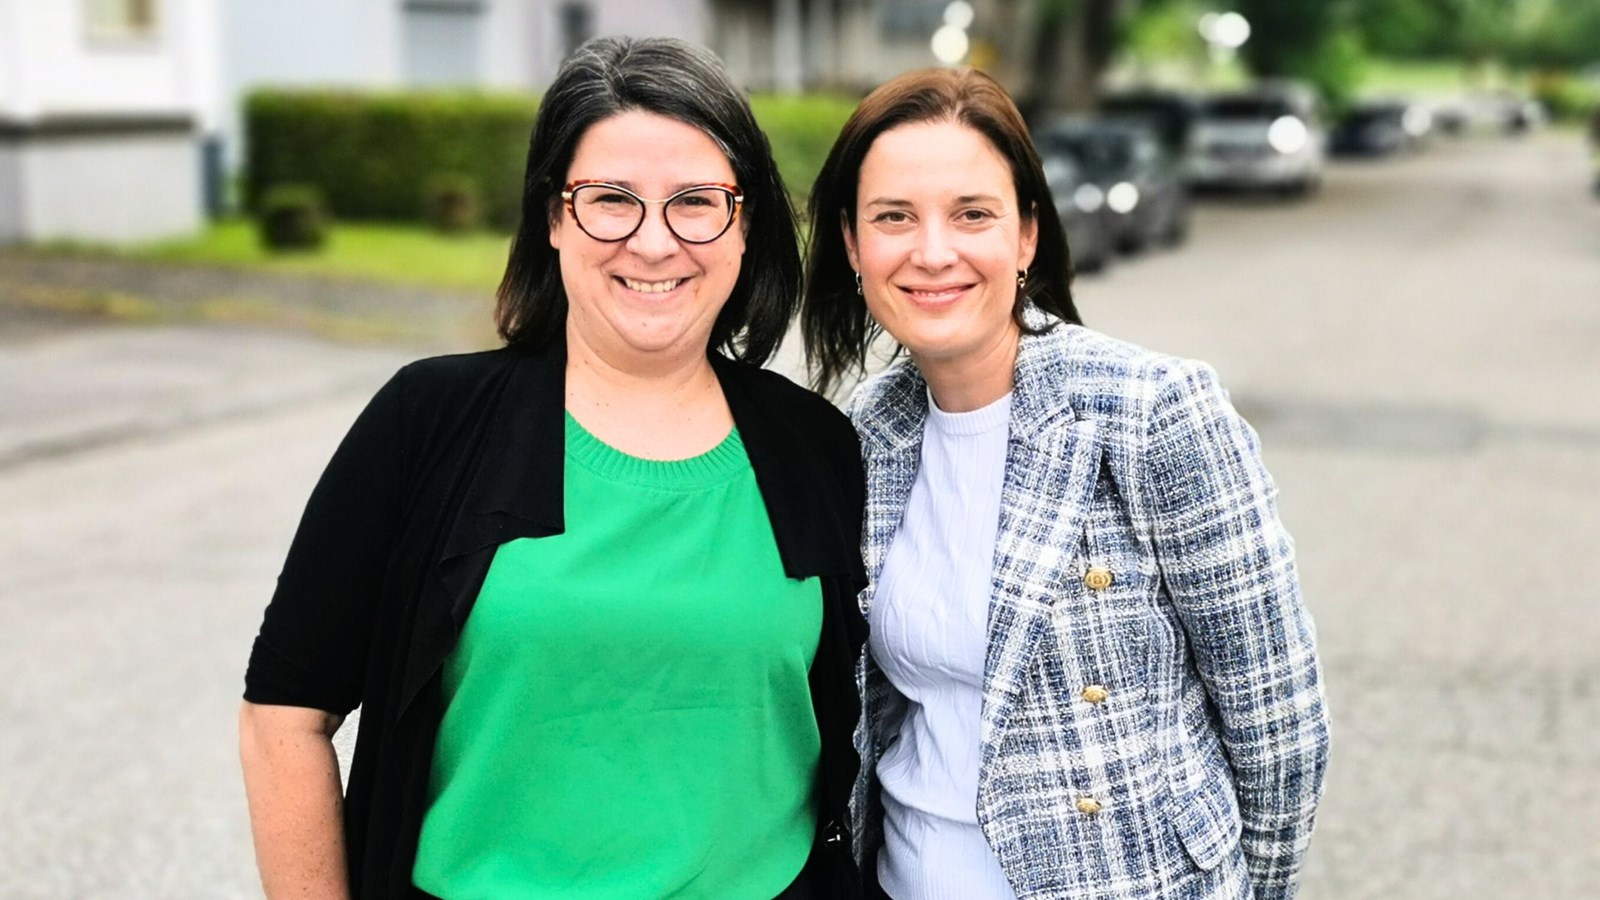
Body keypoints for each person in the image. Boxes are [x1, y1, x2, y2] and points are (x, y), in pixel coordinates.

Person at [239, 37, 867, 900]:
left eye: (697, 202)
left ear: (746, 222)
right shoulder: (429, 422)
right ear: (553, 217)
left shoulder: (817, 448)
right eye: (611, 200)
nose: (654, 242)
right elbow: (285, 715)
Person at [800, 68, 1329, 900]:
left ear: (1026, 238)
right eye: (893, 217)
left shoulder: (1153, 411)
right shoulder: (871, 427)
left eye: (972, 215)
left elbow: (1276, 720)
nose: (932, 251)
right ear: (852, 244)